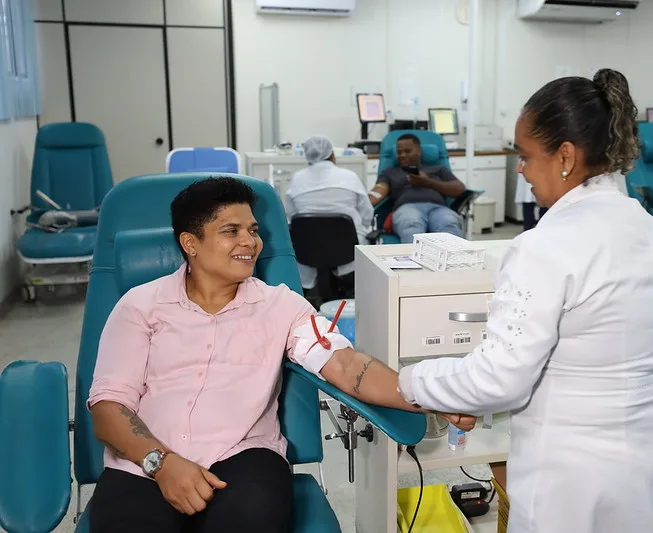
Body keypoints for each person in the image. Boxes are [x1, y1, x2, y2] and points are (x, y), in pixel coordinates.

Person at [87, 176, 474, 533]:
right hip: (145, 464)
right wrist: (161, 464)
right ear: (191, 243)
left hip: (242, 460)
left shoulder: (282, 305)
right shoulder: (139, 306)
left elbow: (344, 365)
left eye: (253, 230)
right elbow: (109, 409)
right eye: (231, 231)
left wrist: (428, 393)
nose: (250, 242)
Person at [396, 69, 653, 532]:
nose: (521, 169)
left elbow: (499, 380)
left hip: (574, 483)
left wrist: (409, 381)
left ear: (565, 156)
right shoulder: (652, 232)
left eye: (526, 156)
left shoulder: (546, 246)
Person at [284, 135, 373, 291]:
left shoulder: (297, 179)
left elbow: (291, 217)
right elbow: (367, 214)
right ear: (332, 155)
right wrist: (363, 226)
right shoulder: (349, 176)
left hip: (308, 248)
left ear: (308, 157)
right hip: (349, 247)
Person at [369, 133, 466, 243]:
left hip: (438, 209)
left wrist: (428, 182)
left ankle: (452, 259)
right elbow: (379, 191)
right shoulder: (390, 173)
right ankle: (414, 260)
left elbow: (460, 189)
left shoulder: (438, 169)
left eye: (407, 151)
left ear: (419, 151)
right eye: (399, 152)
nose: (402, 155)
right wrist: (363, 201)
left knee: (449, 222)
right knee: (412, 224)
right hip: (407, 209)